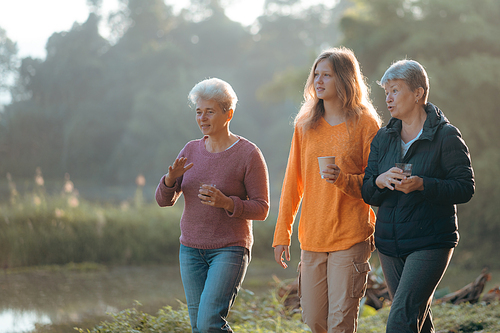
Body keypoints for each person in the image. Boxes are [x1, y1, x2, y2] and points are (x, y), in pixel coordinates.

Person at [273, 47, 381, 333]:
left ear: (345, 80)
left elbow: (376, 183)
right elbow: (292, 181)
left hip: (351, 234)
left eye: (327, 75)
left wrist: (344, 178)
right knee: (315, 320)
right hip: (312, 237)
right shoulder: (304, 126)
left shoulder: (366, 123)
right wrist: (282, 233)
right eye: (316, 75)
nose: (318, 81)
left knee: (340, 322)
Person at [361, 59, 474, 333]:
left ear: (418, 93)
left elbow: (464, 187)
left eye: (395, 90)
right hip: (389, 245)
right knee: (416, 322)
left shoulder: (446, 136)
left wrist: (423, 184)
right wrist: (379, 180)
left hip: (430, 242)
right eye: (386, 91)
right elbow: (367, 192)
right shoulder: (383, 138)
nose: (388, 98)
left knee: (400, 319)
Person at [155, 78, 270, 332]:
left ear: (228, 114)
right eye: (198, 112)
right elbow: (164, 201)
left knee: (209, 324)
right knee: (199, 327)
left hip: (229, 249)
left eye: (209, 111)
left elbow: (262, 208)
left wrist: (227, 203)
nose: (202, 118)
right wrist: (170, 180)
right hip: (190, 250)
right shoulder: (190, 149)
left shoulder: (249, 154)